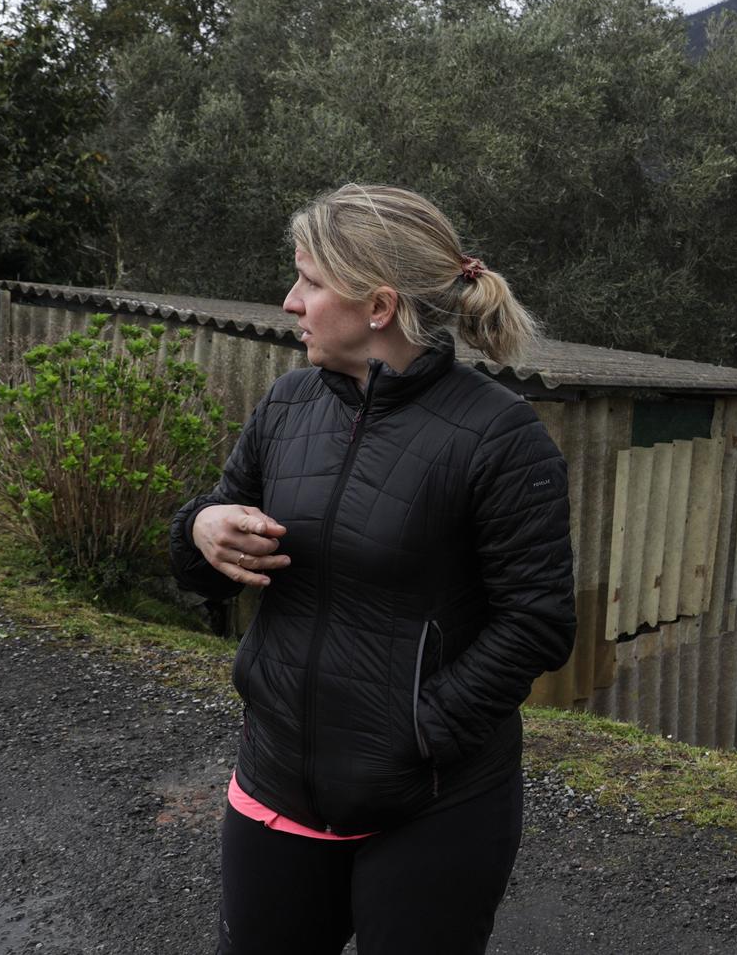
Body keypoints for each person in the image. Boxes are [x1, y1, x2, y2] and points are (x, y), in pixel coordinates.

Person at [168, 183, 577, 955]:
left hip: (432, 804)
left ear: (379, 306)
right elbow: (211, 556)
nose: (290, 302)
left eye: (310, 281)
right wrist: (201, 527)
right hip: (276, 785)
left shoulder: (501, 438)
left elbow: (538, 622)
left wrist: (420, 731)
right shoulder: (288, 405)